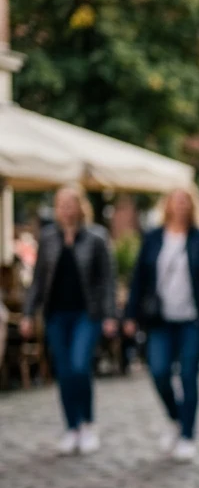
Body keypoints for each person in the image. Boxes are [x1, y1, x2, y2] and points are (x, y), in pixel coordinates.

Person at [122, 188, 199, 461]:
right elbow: (139, 279)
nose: (180, 206)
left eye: (185, 202)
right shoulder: (153, 238)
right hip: (160, 320)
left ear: (192, 206)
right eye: (176, 202)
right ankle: (176, 417)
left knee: (188, 375)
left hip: (193, 320)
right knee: (158, 372)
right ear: (167, 206)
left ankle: (188, 435)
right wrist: (130, 315)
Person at [20, 184, 119, 456]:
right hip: (56, 314)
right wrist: (28, 313)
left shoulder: (96, 237)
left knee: (79, 366)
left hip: (87, 313)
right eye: (61, 205)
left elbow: (108, 280)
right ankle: (71, 426)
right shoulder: (48, 238)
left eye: (70, 204)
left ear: (80, 206)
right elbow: (38, 281)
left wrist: (110, 315)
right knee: (63, 371)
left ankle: (88, 423)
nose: (65, 209)